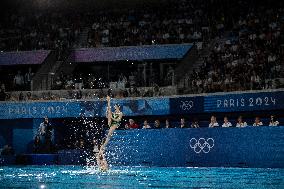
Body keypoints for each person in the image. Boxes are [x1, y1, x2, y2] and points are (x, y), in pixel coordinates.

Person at [97, 96, 123, 170]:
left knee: (108, 135)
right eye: (114, 106)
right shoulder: (114, 112)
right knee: (109, 111)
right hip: (111, 122)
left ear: (118, 107)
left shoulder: (120, 113)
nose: (114, 107)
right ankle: (108, 101)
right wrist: (108, 113)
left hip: (115, 124)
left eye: (115, 106)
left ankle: (103, 146)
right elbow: (108, 115)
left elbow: (118, 120)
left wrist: (111, 117)